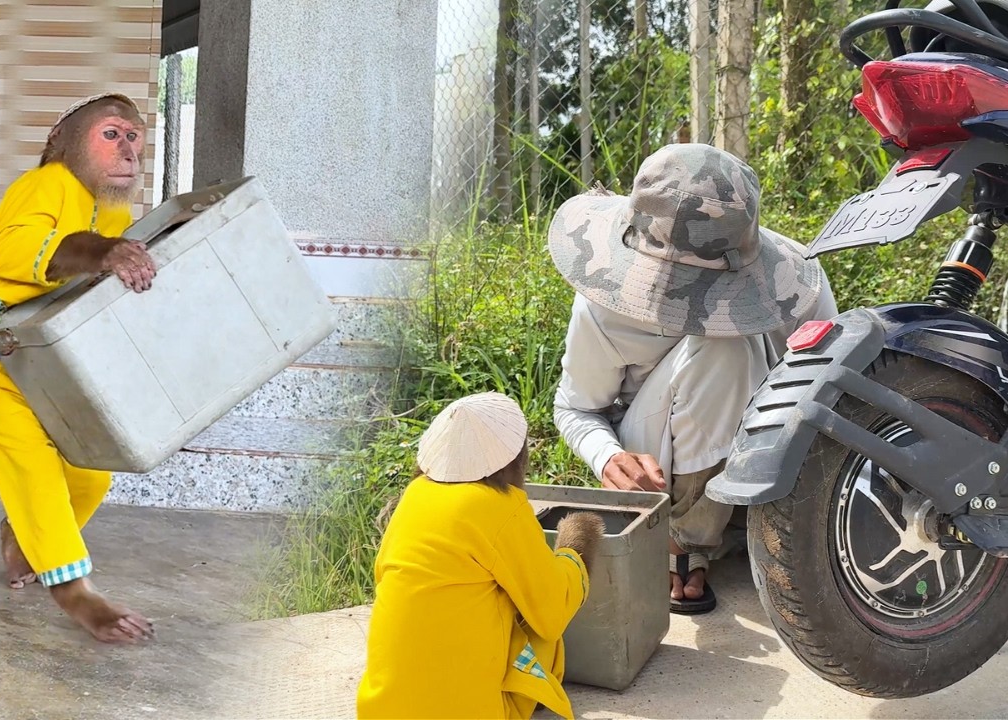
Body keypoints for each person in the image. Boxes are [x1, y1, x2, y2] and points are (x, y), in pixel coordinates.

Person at [547, 142, 839, 614]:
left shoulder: (794, 285)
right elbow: (577, 407)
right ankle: (685, 540)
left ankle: (747, 519)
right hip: (660, 458)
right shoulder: (601, 305)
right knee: (724, 348)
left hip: (770, 444)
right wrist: (609, 459)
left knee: (748, 349)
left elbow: (827, 388)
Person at [0, 93, 159, 642]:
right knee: (36, 479)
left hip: (61, 363)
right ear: (64, 140)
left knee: (90, 473)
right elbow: (7, 253)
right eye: (111, 135)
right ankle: (77, 595)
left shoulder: (113, 207)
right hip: (10, 365)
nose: (128, 149)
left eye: (133, 136)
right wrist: (99, 251)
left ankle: (21, 536)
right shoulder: (44, 184)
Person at [357, 392, 605, 720]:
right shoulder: (498, 507)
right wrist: (575, 544)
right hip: (473, 713)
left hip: (381, 709)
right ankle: (534, 696)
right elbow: (552, 609)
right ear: (516, 459)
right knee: (543, 631)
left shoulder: (414, 497)